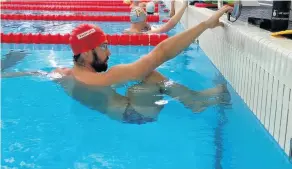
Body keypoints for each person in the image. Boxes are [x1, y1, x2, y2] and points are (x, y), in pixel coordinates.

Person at [1, 6, 233, 124]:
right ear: (86, 52)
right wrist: (205, 24)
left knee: (144, 77)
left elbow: (34, 72)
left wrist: (7, 74)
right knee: (147, 77)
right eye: (103, 46)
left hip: (118, 114)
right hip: (135, 115)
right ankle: (194, 101)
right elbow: (161, 52)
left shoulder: (62, 74)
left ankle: (193, 99)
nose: (109, 51)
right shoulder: (108, 76)